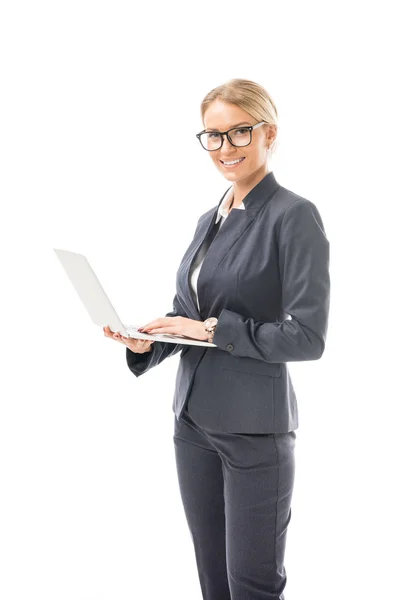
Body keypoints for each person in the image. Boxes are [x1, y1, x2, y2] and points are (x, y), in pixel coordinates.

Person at [104, 78, 330, 600]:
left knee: (250, 585)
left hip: (254, 432)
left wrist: (205, 328)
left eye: (239, 132)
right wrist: (149, 342)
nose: (224, 148)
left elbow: (307, 336)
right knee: (213, 582)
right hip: (193, 423)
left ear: (269, 133)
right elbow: (190, 312)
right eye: (213, 136)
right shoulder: (211, 218)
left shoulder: (293, 216)